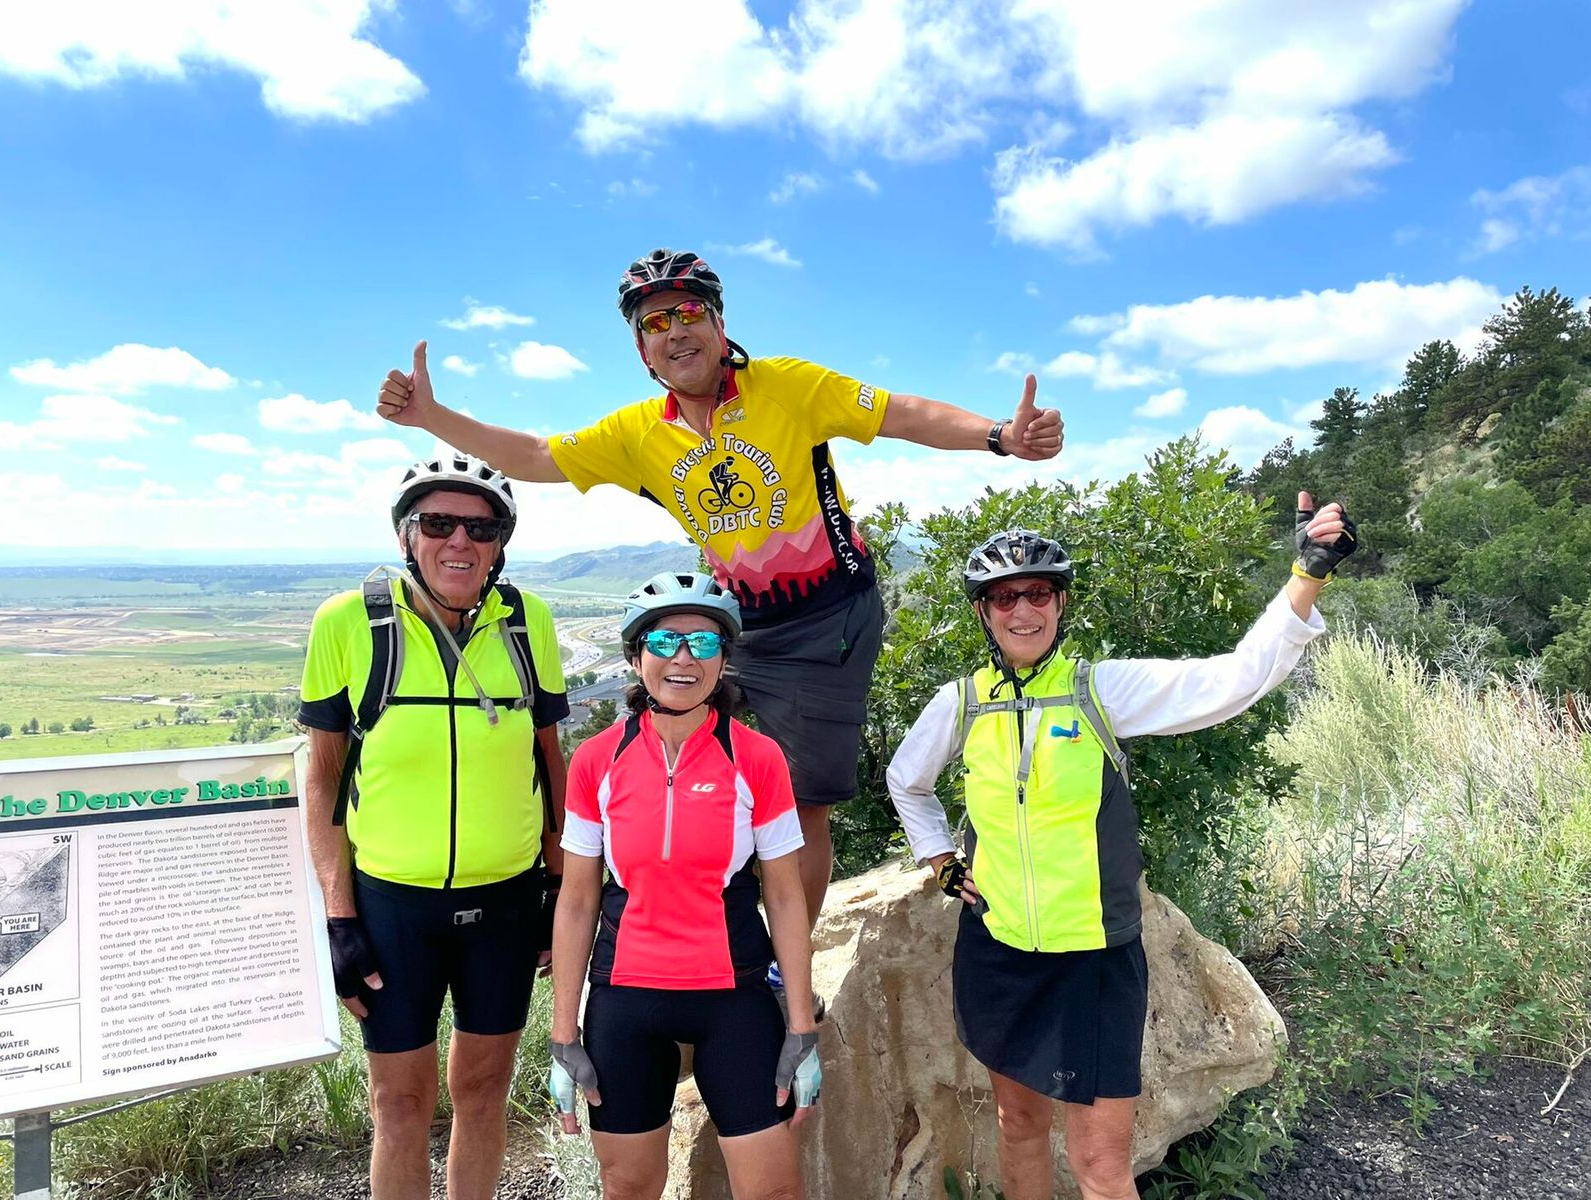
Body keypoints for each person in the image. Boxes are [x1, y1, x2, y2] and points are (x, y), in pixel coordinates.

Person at [375, 248, 1065, 938]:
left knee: (802, 803)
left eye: (689, 313)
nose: (675, 331)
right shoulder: (640, 432)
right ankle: (691, 932)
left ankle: (786, 961)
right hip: (735, 618)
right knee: (676, 755)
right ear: (642, 350)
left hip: (826, 618)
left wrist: (999, 437)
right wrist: (433, 416)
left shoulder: (788, 387)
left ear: (719, 323)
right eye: (654, 323)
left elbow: (900, 413)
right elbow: (536, 455)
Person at [885, 494, 1357, 1200]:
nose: (1022, 610)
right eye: (1004, 596)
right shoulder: (963, 702)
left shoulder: (1098, 691)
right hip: (998, 949)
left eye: (1038, 593)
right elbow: (906, 780)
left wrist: (1307, 574)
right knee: (1018, 1125)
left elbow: (1233, 679)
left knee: (1101, 1165)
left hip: (1095, 958)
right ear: (983, 611)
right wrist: (942, 863)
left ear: (1060, 602)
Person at [299, 455, 569, 1200]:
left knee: (484, 1092)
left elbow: (550, 760)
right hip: (392, 907)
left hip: (505, 901)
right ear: (406, 535)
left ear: (500, 543)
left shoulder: (528, 623)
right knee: (398, 1104)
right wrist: (339, 915)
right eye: (439, 523)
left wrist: (559, 886)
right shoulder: (349, 622)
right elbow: (323, 776)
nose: (460, 541)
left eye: (481, 528)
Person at [547, 571, 821, 1200]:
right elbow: (578, 899)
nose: (683, 658)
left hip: (734, 996)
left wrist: (801, 1027)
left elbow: (784, 895)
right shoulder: (596, 760)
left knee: (773, 1191)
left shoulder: (757, 757)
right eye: (664, 641)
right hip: (625, 998)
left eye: (703, 643)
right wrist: (563, 1033)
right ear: (635, 655)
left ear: (723, 661)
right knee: (627, 1188)